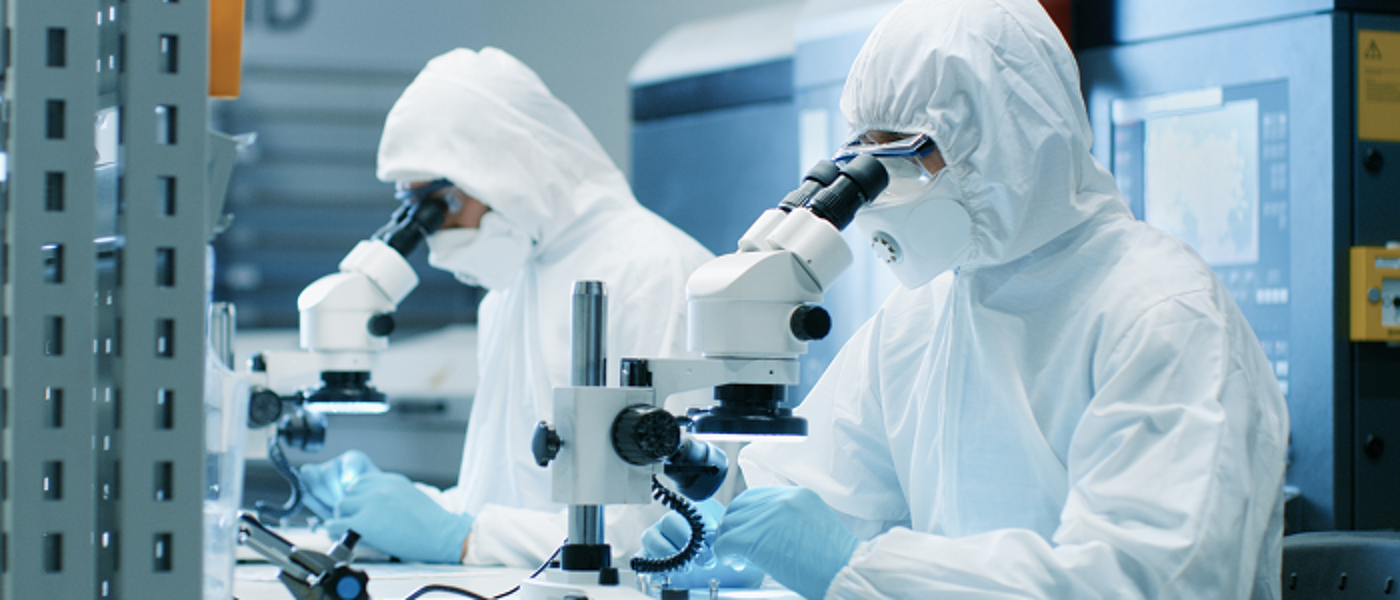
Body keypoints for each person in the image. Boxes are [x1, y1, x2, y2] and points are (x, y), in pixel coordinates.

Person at [644, 0, 1290, 597]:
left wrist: (854, 569)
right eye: (864, 165)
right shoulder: (921, 318)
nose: (881, 204)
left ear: (1008, 137)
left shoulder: (1161, 314)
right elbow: (805, 493)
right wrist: (725, 546)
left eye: (898, 164)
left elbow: (1145, 580)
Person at [297, 46, 715, 566]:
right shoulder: (510, 289)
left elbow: (663, 535)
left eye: (442, 205)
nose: (439, 232)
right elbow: (497, 503)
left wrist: (460, 537)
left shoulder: (656, 271)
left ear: (509, 169)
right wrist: (396, 510)